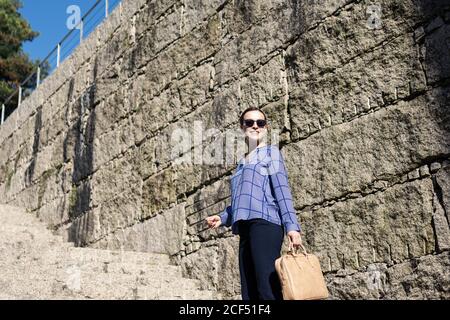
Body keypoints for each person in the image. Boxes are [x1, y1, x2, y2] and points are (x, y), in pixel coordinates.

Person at [205, 106, 302, 300]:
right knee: (248, 292)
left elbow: (282, 192)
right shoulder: (242, 163)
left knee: (267, 289)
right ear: (242, 127)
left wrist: (292, 228)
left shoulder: (270, 154)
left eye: (260, 123)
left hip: (266, 224)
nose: (255, 126)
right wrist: (223, 217)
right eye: (250, 122)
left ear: (266, 128)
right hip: (246, 229)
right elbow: (242, 202)